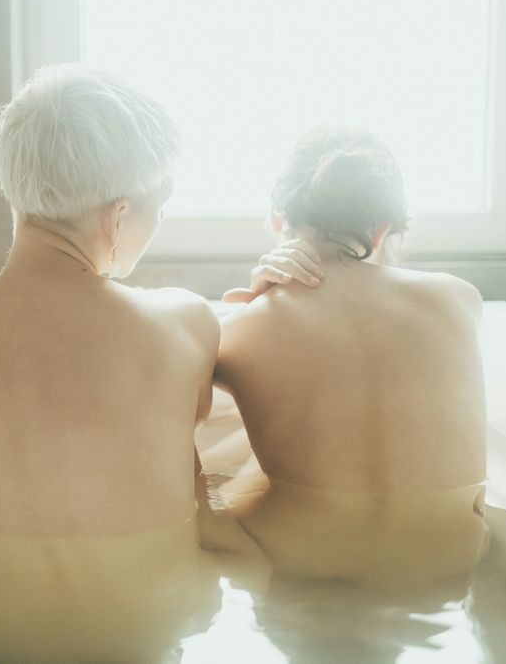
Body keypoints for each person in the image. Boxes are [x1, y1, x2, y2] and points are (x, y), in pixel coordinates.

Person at [0, 64, 225, 662]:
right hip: (141, 638)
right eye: (155, 211)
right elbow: (194, 489)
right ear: (118, 215)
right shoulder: (184, 327)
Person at [209, 124, 490, 590]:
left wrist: (260, 295)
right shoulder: (462, 300)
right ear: (380, 230)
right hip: (447, 566)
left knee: (236, 471)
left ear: (279, 223)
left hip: (302, 568)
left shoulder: (241, 330)